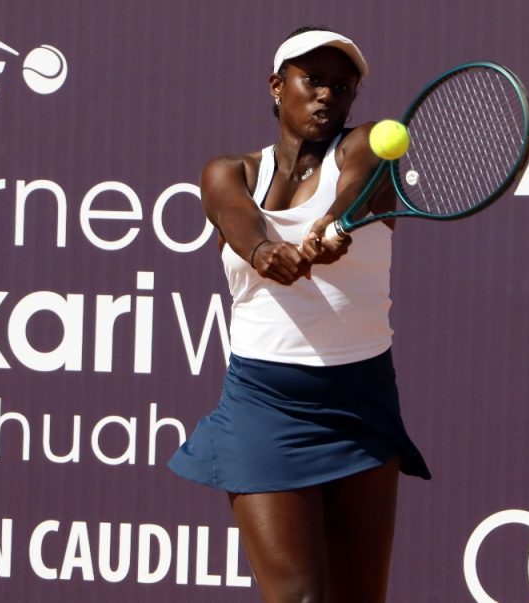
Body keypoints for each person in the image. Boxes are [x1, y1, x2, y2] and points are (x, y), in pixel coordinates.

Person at [168, 26, 430, 603]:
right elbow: (238, 220)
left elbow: (356, 184)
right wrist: (266, 252)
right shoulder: (228, 171)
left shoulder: (367, 145)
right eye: (312, 79)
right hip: (264, 404)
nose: (327, 94)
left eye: (342, 85)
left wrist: (333, 225)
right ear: (276, 86)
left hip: (361, 401)